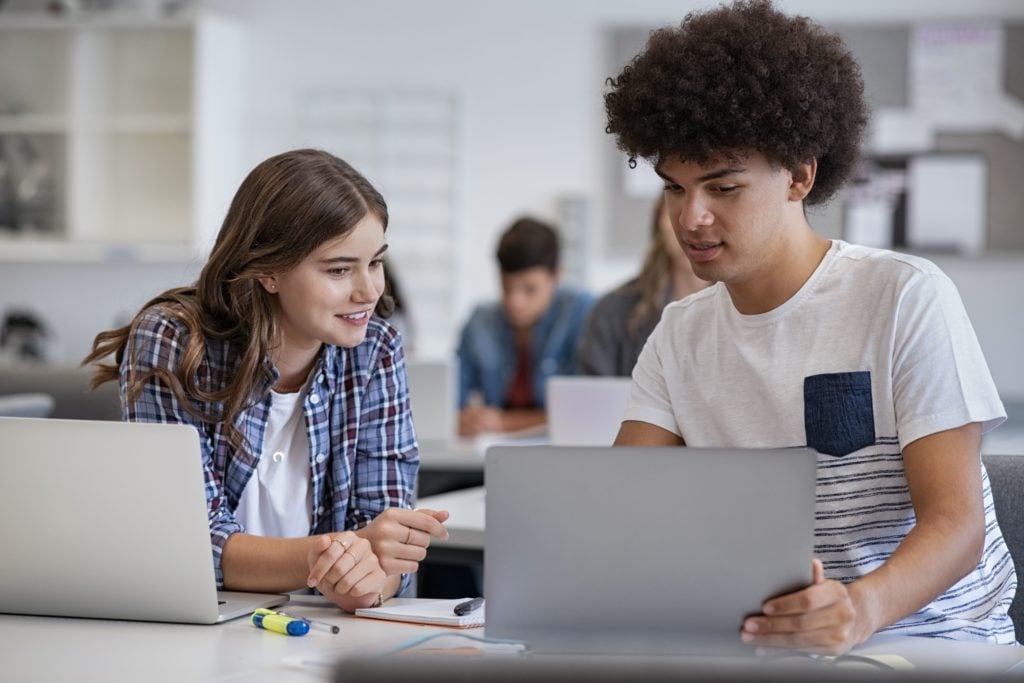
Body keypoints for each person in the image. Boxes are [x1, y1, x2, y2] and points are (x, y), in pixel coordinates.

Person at [605, 0, 1015, 653]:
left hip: (931, 642)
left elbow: (957, 526)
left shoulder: (905, 297)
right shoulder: (680, 333)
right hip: (768, 644)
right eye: (675, 189)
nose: (692, 219)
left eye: (723, 188)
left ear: (800, 175)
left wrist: (859, 608)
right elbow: (616, 512)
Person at [84, 149, 449, 612]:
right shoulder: (174, 341)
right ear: (268, 271)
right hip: (198, 621)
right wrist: (337, 553)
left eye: (375, 262)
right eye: (339, 269)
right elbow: (191, 540)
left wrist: (371, 581)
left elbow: (386, 546)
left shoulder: (376, 352)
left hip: (324, 628)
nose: (369, 290)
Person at [456, 217, 593, 437]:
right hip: (491, 453)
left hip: (561, 454)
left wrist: (503, 422)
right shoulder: (480, 321)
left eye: (529, 289)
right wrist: (467, 421)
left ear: (556, 276)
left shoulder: (584, 313)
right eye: (506, 287)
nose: (514, 301)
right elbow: (452, 405)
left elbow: (587, 413)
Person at [577, 196, 708, 377]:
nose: (692, 226)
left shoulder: (748, 308)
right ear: (659, 223)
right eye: (678, 211)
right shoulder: (611, 311)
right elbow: (594, 398)